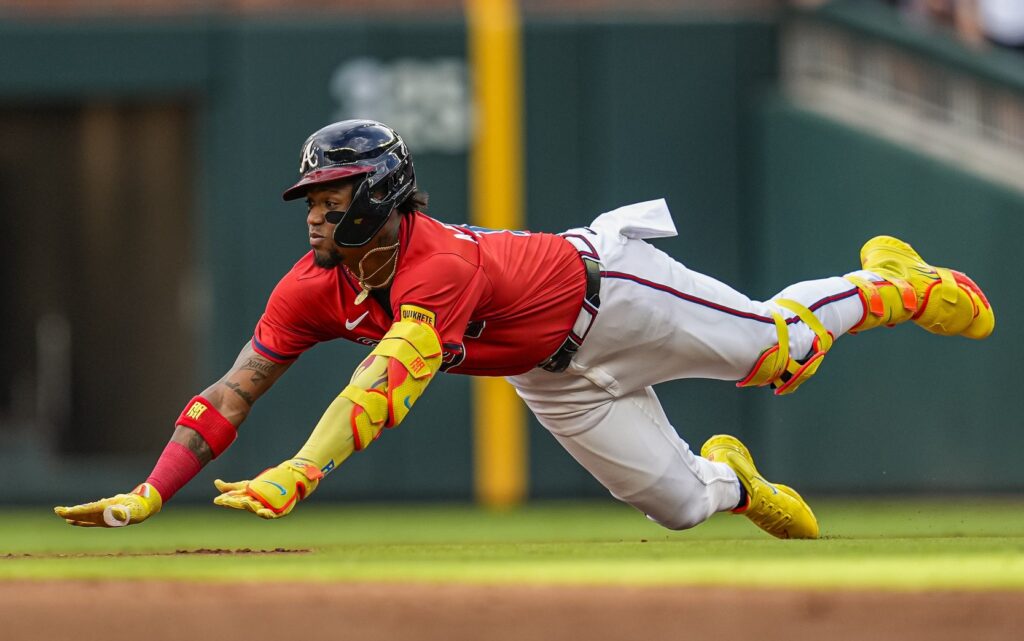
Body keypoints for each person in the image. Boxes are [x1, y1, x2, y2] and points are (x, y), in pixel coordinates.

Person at [54, 119, 994, 539]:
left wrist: (301, 470)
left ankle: (889, 283)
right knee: (679, 507)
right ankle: (736, 480)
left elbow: (383, 386)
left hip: (613, 293)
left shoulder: (435, 263)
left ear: (376, 192)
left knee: (776, 354)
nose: (315, 212)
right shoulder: (310, 288)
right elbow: (234, 389)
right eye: (312, 196)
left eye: (330, 194)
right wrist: (150, 491)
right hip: (550, 374)